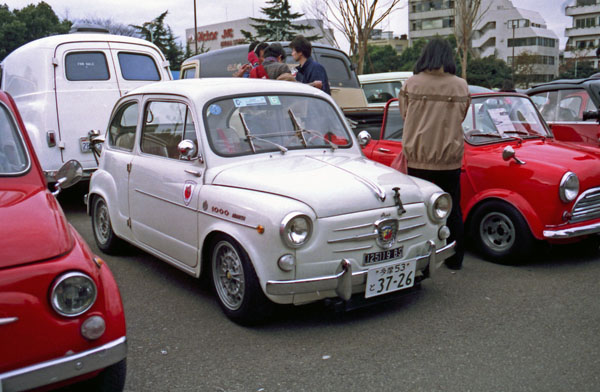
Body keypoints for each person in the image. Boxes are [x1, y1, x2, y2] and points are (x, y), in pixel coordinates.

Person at [397, 37, 470, 270]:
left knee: (420, 211)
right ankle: (455, 258)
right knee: (452, 208)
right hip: (449, 158)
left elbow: (405, 115)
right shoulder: (461, 85)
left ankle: (421, 261)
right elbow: (462, 115)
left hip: (418, 157)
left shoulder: (411, 84)